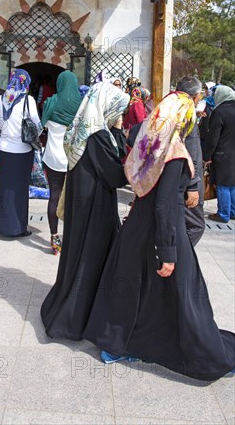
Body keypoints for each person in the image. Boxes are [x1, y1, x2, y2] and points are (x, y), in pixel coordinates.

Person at [83, 91, 235, 381]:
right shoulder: (173, 151)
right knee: (187, 295)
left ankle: (117, 345)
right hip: (165, 231)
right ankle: (209, 357)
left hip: (137, 228)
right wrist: (167, 251)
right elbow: (165, 206)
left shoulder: (148, 141)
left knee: (136, 289)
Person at [41, 81, 129, 340]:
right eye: (117, 109)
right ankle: (79, 315)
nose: (119, 116)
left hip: (82, 204)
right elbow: (116, 176)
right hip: (95, 207)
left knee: (79, 254)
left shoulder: (80, 129)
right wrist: (120, 134)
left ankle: (74, 305)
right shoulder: (98, 135)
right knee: (91, 256)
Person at [0, 69, 41, 237]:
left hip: (5, 149)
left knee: (6, 187)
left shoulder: (1, 99)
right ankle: (18, 227)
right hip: (22, 150)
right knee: (20, 189)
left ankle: (3, 226)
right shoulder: (28, 100)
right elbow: (37, 124)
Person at [41, 70, 82, 254]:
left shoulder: (51, 102)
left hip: (52, 158)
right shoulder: (81, 106)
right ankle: (73, 240)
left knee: (54, 197)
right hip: (73, 159)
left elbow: (44, 126)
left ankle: (54, 238)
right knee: (73, 200)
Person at [176, 77, 205, 246]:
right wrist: (193, 186)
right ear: (195, 97)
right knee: (195, 226)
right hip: (186, 180)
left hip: (173, 178)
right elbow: (191, 153)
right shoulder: (187, 116)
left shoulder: (170, 110)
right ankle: (176, 258)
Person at [203, 85, 235, 224]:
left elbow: (213, 136)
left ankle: (223, 214)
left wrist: (206, 155)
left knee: (222, 184)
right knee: (232, 183)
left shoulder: (220, 111)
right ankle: (233, 212)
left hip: (222, 153)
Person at [197, 81, 217, 153]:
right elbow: (199, 108)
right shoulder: (206, 101)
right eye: (205, 88)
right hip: (205, 133)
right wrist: (199, 112)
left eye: (207, 88)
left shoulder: (220, 101)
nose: (205, 90)